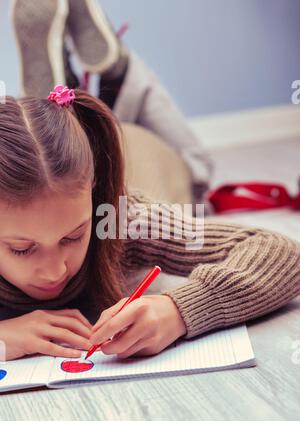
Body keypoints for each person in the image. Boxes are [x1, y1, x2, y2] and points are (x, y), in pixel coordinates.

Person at [0, 85, 300, 362]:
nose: (56, 271)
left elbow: (283, 254)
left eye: (74, 236)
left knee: (196, 172)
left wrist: (180, 309)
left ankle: (124, 74)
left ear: (94, 193)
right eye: (22, 249)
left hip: (151, 154)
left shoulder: (121, 219)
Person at [11, 0, 213, 207]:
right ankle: (117, 70)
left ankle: (54, 105)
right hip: (132, 176)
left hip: (94, 171)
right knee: (196, 167)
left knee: (66, 161)